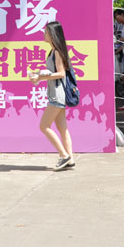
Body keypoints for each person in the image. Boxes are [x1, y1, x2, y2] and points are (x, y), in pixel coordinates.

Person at [29, 21, 76, 171]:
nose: (44, 35)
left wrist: (40, 77)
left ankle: (64, 155)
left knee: (44, 126)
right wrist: (40, 75)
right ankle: (70, 159)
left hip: (57, 95)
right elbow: (55, 73)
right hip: (57, 94)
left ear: (53, 35)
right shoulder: (54, 51)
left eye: (46, 32)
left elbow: (61, 74)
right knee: (62, 128)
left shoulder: (57, 52)